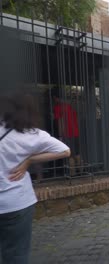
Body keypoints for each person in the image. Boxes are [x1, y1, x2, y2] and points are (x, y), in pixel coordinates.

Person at [0, 93, 70, 264]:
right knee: (16, 253)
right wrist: (29, 160)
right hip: (17, 202)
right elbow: (64, 151)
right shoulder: (33, 135)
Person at [52, 92, 80, 176]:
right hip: (75, 132)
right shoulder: (70, 106)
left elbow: (60, 122)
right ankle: (81, 172)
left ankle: (72, 174)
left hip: (67, 134)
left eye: (54, 98)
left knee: (69, 155)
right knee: (77, 153)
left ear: (56, 98)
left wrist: (60, 135)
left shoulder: (58, 108)